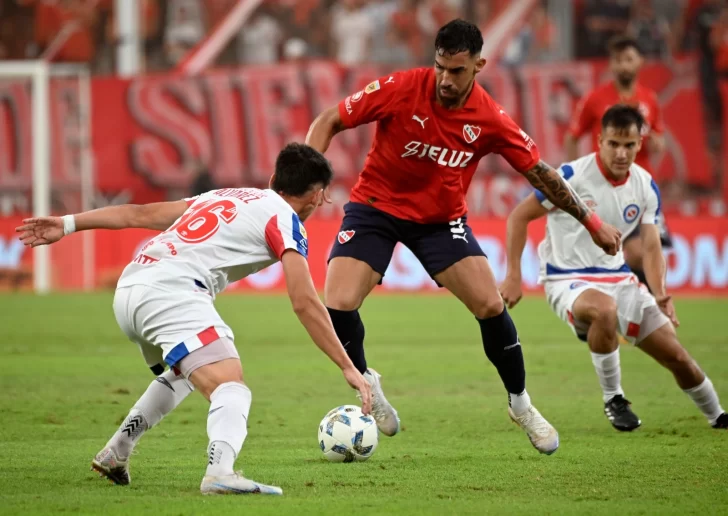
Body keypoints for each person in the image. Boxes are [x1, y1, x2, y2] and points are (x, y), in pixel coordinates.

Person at [305, 19, 622, 455]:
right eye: (440, 67)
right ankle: (368, 385)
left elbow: (541, 174)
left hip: (440, 221)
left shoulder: (490, 118)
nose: (445, 80)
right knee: (338, 302)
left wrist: (592, 222)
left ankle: (520, 404)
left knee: (491, 305)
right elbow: (329, 120)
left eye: (456, 71)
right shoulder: (401, 87)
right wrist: (310, 179)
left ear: (479, 65)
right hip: (376, 207)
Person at [15, 143, 373, 494]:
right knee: (230, 384)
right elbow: (305, 302)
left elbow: (138, 215)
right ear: (316, 196)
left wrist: (67, 223)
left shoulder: (226, 195)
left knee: (184, 372)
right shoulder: (286, 221)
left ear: (273, 177)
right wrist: (347, 365)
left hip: (132, 287)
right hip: (172, 292)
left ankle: (116, 452)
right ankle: (221, 473)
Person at [501, 105, 727, 432]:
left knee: (677, 355)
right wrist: (513, 276)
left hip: (620, 278)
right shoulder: (571, 177)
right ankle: (614, 399)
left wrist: (661, 293)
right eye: (613, 144)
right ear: (599, 141)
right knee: (604, 310)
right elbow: (518, 217)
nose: (621, 153)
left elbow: (650, 245)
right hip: (568, 278)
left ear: (640, 145)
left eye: (629, 145)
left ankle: (718, 416)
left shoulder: (646, 185)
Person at [564, 34, 671, 291]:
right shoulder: (595, 98)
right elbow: (572, 136)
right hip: (602, 188)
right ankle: (635, 307)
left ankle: (647, 307)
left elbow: (659, 138)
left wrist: (657, 143)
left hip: (640, 189)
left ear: (640, 62)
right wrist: (576, 175)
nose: (624, 65)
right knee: (624, 253)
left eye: (629, 59)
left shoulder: (650, 99)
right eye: (618, 60)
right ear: (611, 64)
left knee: (648, 254)